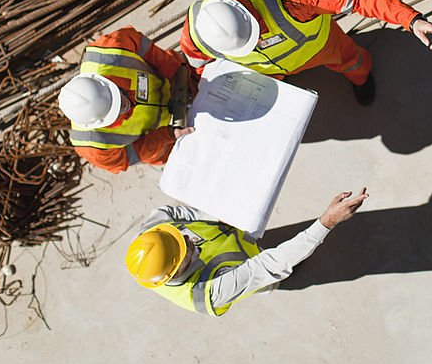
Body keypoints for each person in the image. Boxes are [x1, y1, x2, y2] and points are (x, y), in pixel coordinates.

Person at [179, 0, 432, 105]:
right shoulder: (199, 30)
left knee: (354, 62)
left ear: (248, 12)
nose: (258, 39)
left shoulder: (286, 0)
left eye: (255, 32)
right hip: (273, 71)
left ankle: (362, 80)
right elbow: (196, 61)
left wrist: (410, 19)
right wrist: (206, 88)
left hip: (321, 47)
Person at [125, 188, 368, 315]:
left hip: (238, 239)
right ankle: (279, 283)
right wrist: (326, 221)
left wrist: (218, 217)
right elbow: (271, 264)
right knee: (274, 275)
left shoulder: (151, 238)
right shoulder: (210, 292)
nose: (187, 237)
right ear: (177, 269)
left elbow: (172, 214)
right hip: (252, 267)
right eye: (185, 246)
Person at [58, 26, 195, 174]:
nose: (126, 106)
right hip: (165, 137)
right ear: (99, 123)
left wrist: (174, 71)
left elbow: (143, 46)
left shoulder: (108, 52)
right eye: (117, 112)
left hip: (177, 81)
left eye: (118, 98)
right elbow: (132, 155)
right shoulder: (94, 147)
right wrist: (167, 135)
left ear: (104, 83)